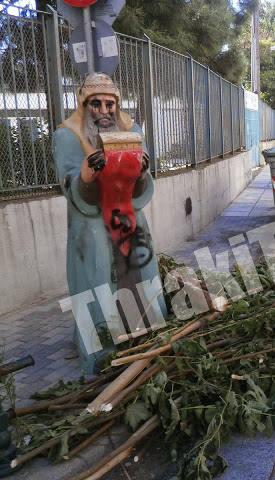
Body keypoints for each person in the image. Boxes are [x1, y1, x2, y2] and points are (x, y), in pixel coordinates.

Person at [54, 72, 167, 373]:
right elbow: (68, 182)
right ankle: (102, 355)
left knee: (141, 281)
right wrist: (87, 175)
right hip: (91, 230)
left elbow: (142, 182)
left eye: (109, 105)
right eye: (96, 105)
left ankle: (148, 342)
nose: (104, 112)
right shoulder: (67, 135)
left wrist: (141, 171)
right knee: (97, 285)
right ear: (84, 104)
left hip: (130, 225)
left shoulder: (132, 130)